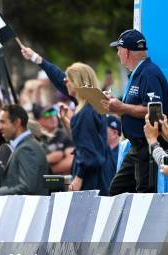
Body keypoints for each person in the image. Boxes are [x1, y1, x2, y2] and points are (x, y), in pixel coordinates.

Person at [20, 46, 113, 195]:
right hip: (100, 173)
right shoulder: (93, 105)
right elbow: (86, 141)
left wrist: (79, 178)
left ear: (77, 83)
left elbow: (89, 152)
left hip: (92, 179)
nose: (64, 81)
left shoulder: (85, 112)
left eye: (68, 78)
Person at [101, 29, 168, 194]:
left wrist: (122, 107)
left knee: (144, 194)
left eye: (118, 49)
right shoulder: (138, 73)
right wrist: (116, 104)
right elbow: (134, 107)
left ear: (126, 51)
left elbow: (155, 111)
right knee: (117, 190)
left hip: (148, 146)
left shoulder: (149, 73)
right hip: (137, 146)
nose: (117, 53)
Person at [0, 105, 48, 196]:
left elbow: (27, 188)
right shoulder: (23, 146)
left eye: (2, 122)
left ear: (17, 122)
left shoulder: (27, 148)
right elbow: (11, 182)